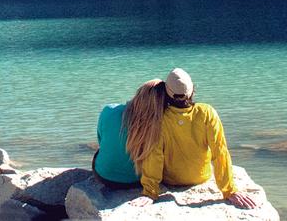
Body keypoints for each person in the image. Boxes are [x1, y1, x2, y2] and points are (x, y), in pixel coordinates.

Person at [127, 68, 259, 210]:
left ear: (166, 93)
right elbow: (220, 152)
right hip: (201, 176)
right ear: (192, 90)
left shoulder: (159, 118)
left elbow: (155, 155)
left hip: (171, 180)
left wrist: (150, 192)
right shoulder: (206, 112)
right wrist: (229, 190)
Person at [92, 79, 163, 187]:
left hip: (105, 176)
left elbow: (101, 140)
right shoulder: (161, 122)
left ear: (139, 92)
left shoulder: (109, 110)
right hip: (138, 180)